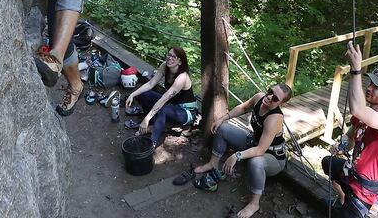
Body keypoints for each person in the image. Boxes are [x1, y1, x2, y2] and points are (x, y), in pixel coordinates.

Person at [321, 41, 378, 217]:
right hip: (351, 174)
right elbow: (352, 133)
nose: (369, 88)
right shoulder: (366, 115)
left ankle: (364, 209)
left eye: (377, 87)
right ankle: (343, 200)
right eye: (370, 84)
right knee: (328, 163)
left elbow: (357, 108)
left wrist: (356, 70)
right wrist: (342, 145)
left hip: (364, 190)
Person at [190, 83, 293, 218]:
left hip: (272, 157)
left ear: (281, 103)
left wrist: (237, 155)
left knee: (256, 162)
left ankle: (254, 203)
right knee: (223, 128)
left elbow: (261, 150)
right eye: (270, 91)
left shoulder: (274, 118)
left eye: (275, 98)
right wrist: (222, 118)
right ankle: (212, 163)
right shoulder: (259, 98)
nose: (269, 97)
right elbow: (243, 107)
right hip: (253, 143)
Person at [124, 46, 196, 148]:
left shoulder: (182, 77)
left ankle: (151, 144)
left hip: (185, 112)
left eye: (174, 57)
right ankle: (152, 124)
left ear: (180, 62)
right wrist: (133, 94)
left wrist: (146, 118)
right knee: (145, 94)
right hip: (171, 103)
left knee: (163, 109)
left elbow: (164, 98)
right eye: (169, 55)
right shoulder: (164, 66)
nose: (170, 58)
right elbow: (150, 84)